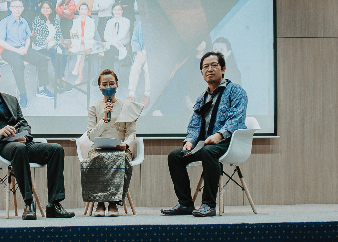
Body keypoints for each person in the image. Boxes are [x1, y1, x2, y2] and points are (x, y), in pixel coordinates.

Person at [0, 59, 75, 220]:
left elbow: (23, 123)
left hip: (20, 144)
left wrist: (25, 136)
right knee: (19, 149)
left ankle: (54, 204)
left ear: (0, 75)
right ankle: (29, 203)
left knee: (55, 149)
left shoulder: (11, 99)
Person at [162, 51, 248, 217]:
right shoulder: (202, 98)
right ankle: (185, 204)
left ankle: (208, 204)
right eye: (205, 67)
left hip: (229, 143)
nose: (209, 69)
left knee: (209, 152)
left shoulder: (236, 91)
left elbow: (237, 119)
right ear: (201, 73)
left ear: (223, 69)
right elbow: (194, 125)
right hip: (207, 144)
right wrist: (190, 141)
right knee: (175, 156)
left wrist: (219, 135)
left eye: (214, 65)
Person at [80, 69, 143, 217]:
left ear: (117, 85)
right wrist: (104, 120)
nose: (108, 87)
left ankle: (113, 203)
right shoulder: (94, 109)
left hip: (120, 149)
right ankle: (100, 203)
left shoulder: (126, 106)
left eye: (111, 83)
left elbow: (131, 132)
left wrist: (126, 144)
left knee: (118, 158)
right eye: (104, 84)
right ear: (100, 87)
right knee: (95, 159)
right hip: (100, 148)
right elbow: (91, 136)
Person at [0, 0, 54, 107]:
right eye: (15, 6)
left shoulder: (24, 21)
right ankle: (22, 93)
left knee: (42, 59)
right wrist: (17, 50)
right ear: (10, 8)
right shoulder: (4, 22)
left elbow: (28, 37)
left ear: (22, 8)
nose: (17, 9)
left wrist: (26, 48)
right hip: (8, 50)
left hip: (23, 48)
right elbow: (0, 42)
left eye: (20, 7)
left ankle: (42, 89)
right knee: (18, 64)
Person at [31, 2, 72, 93]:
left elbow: (58, 34)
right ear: (41, 9)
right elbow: (38, 36)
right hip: (41, 45)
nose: (45, 9)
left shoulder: (54, 20)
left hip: (53, 43)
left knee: (64, 53)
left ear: (51, 10)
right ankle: (59, 80)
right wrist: (48, 43)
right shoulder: (37, 20)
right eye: (43, 8)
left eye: (48, 8)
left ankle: (60, 77)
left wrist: (52, 41)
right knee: (55, 55)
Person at [70, 2, 96, 85]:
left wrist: (84, 39)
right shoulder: (75, 21)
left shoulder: (91, 21)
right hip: (78, 42)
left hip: (88, 41)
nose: (83, 11)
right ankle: (80, 75)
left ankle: (77, 67)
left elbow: (92, 34)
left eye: (85, 9)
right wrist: (80, 39)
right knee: (82, 51)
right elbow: (74, 34)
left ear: (88, 10)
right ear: (79, 11)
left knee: (82, 48)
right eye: (82, 9)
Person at [127, 21, 150, 106]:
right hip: (141, 51)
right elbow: (134, 39)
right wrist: (138, 52)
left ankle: (147, 93)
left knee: (148, 69)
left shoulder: (158, 22)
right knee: (135, 67)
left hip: (153, 53)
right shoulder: (140, 24)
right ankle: (131, 93)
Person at [101, 4, 130, 70]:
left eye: (119, 9)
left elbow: (122, 35)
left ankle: (104, 70)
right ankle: (109, 72)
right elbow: (105, 36)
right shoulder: (109, 22)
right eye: (115, 9)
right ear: (112, 11)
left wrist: (110, 42)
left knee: (109, 49)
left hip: (122, 45)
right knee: (110, 49)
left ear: (122, 11)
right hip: (112, 45)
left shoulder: (126, 21)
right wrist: (113, 42)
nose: (117, 11)